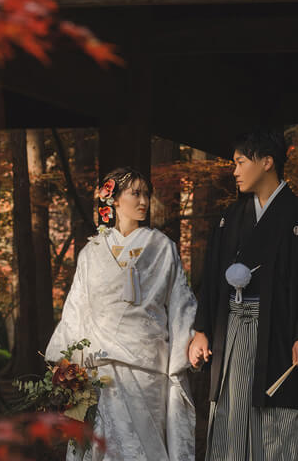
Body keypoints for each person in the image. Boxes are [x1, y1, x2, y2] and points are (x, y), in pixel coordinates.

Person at [188, 129, 298, 461]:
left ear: (267, 162)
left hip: (280, 335)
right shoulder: (230, 218)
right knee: (231, 416)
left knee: (277, 427)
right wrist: (201, 330)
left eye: (241, 162)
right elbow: (215, 277)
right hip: (231, 330)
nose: (235, 171)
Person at [46, 166, 197, 461]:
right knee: (98, 446)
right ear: (113, 200)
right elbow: (76, 308)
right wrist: (64, 362)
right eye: (135, 193)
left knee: (145, 447)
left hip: (146, 367)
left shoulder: (163, 247)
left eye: (146, 194)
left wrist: (187, 347)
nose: (144, 201)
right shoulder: (91, 252)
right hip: (97, 370)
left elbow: (182, 303)